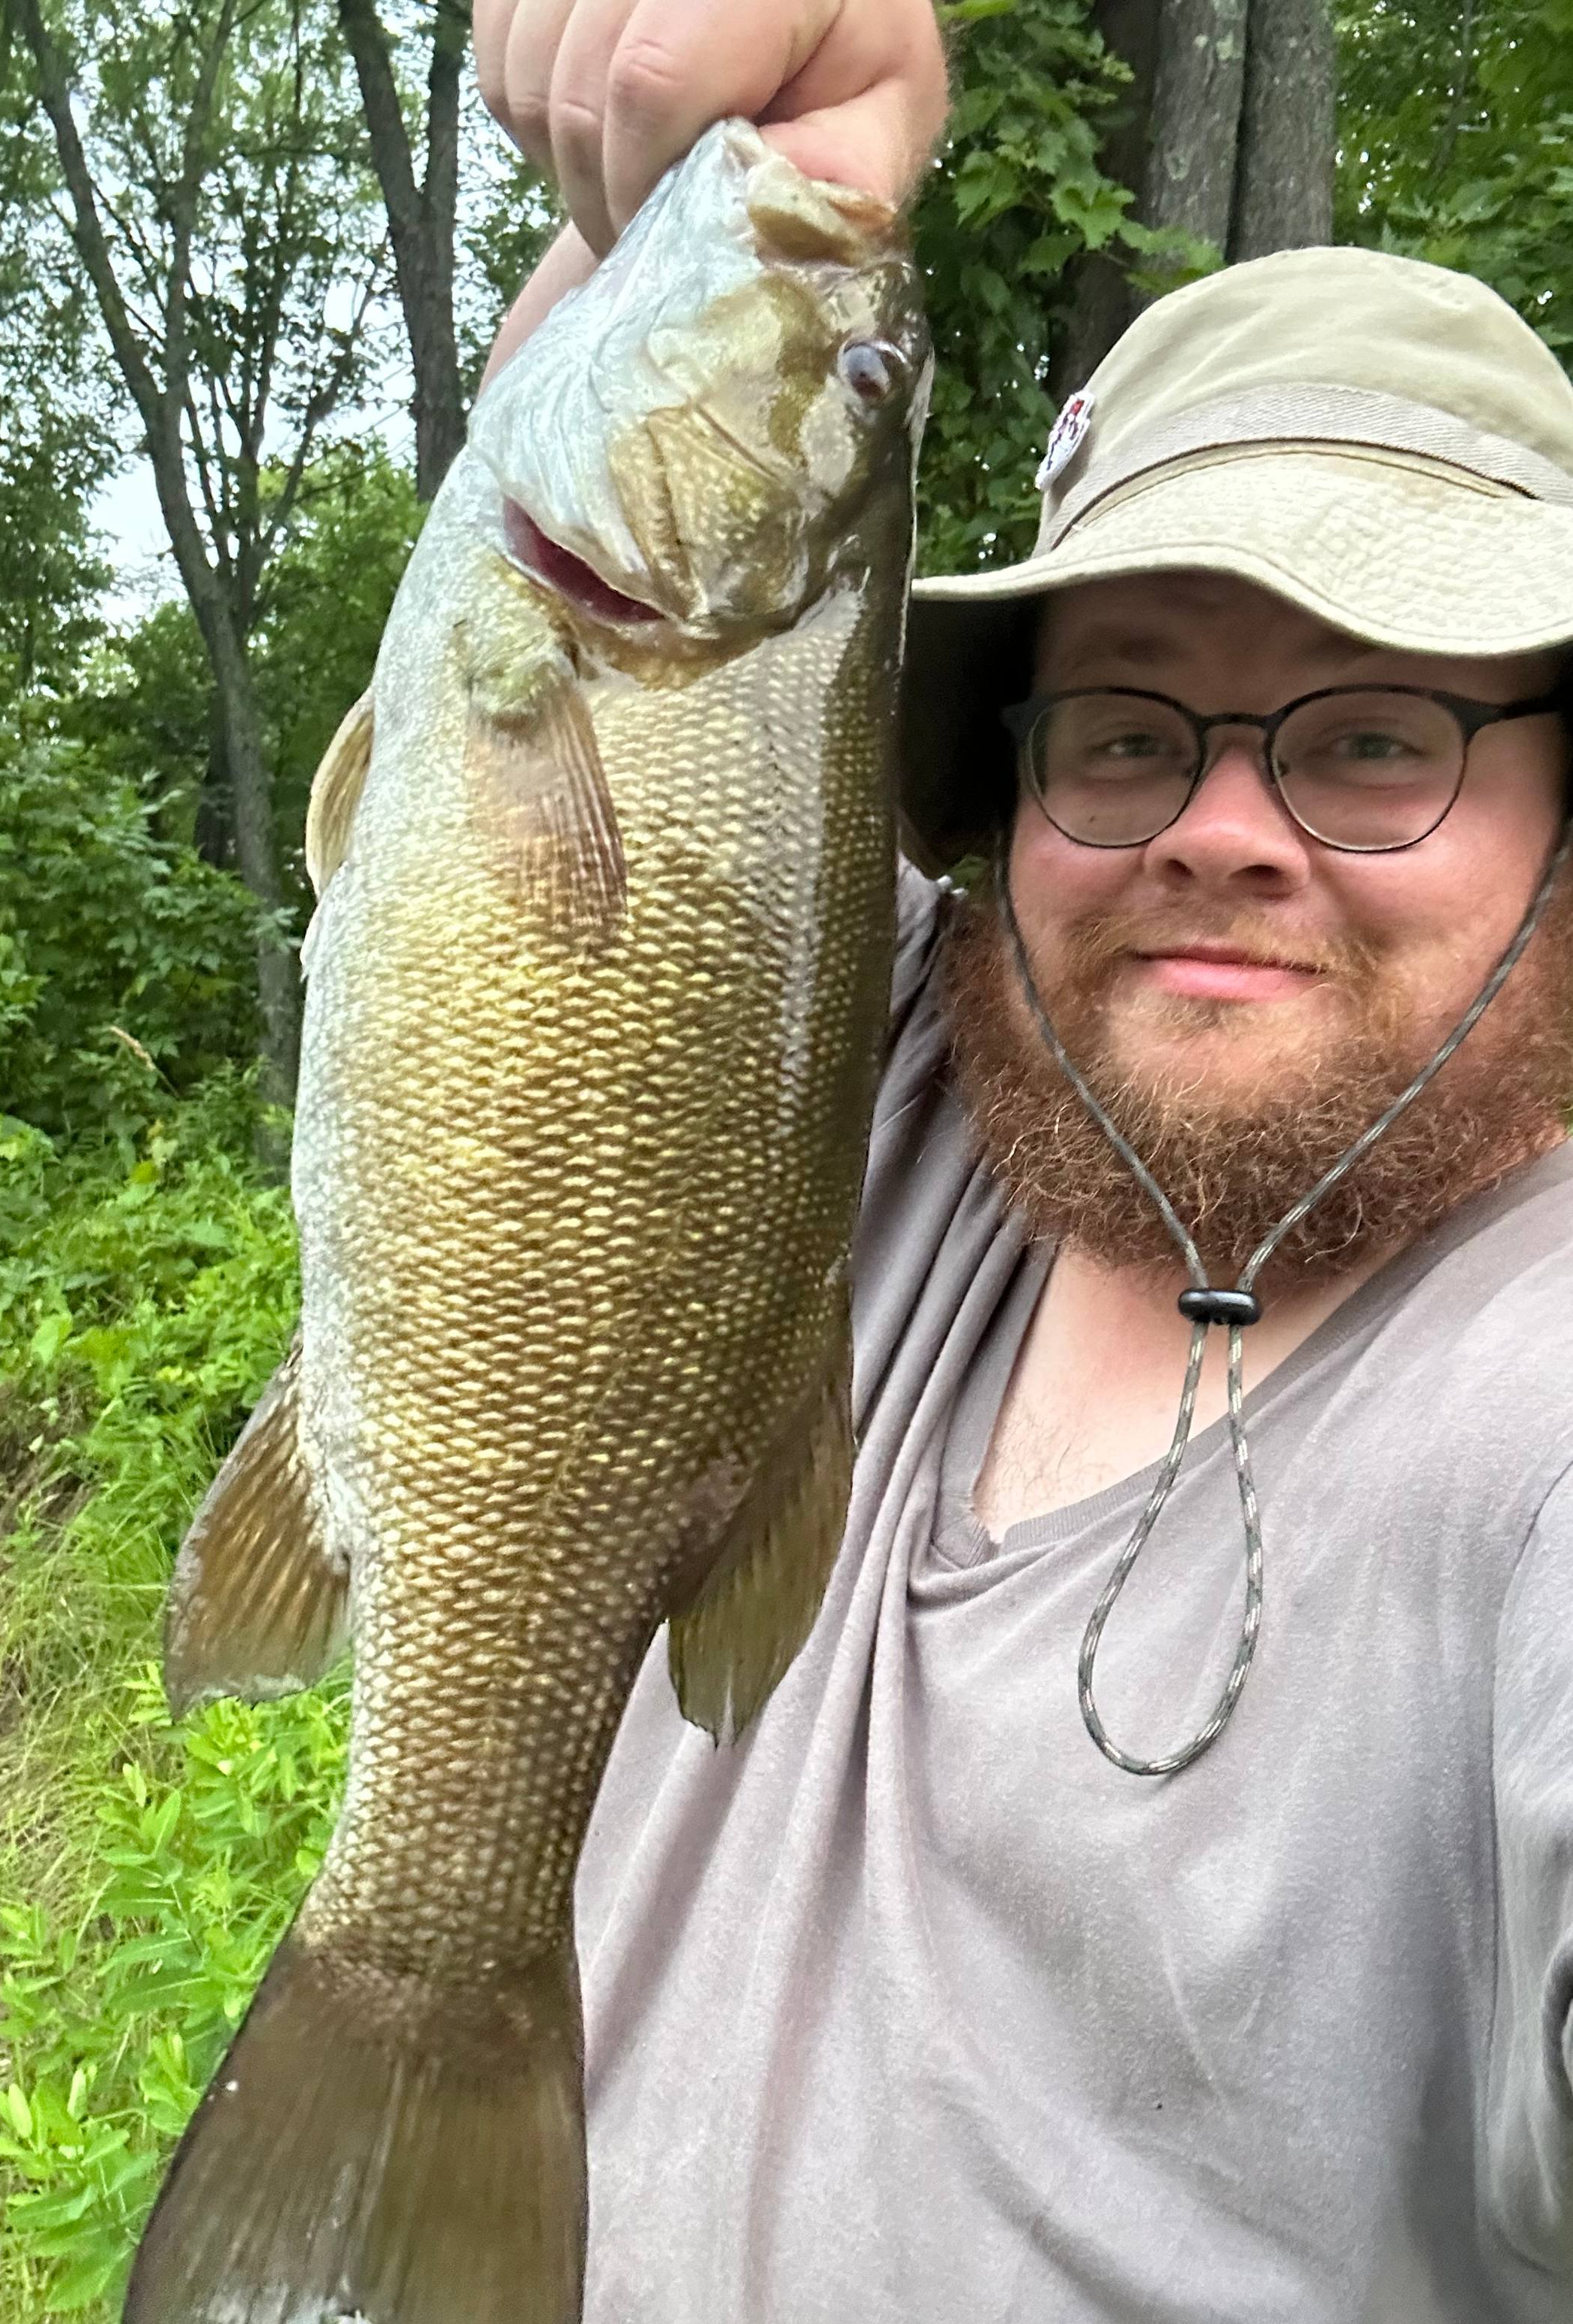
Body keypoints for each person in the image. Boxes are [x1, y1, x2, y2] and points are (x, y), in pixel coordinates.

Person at [475, 7, 1573, 2317]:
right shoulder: (858, 1085)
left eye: (1375, 736)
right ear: (1017, 794)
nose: (1218, 832)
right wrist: (795, 125)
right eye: (1124, 724)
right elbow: (612, 553)